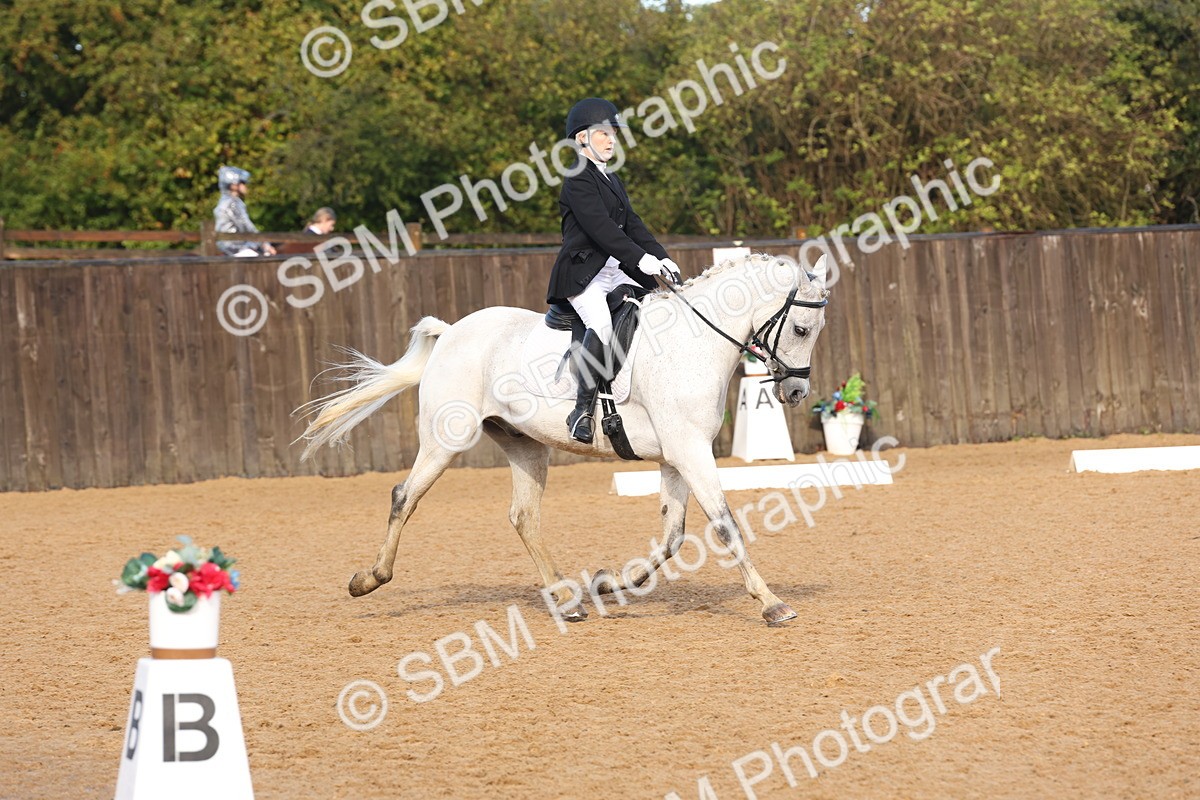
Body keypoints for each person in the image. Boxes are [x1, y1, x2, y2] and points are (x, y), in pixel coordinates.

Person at [546, 98, 681, 444]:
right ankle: (582, 411)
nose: (611, 140)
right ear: (580, 139)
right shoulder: (577, 178)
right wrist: (642, 260)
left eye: (613, 135)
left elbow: (633, 225)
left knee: (656, 307)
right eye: (602, 133)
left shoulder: (612, 178)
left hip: (613, 268)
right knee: (601, 325)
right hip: (582, 273)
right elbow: (602, 230)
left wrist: (662, 258)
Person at [213, 166, 276, 257]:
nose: (245, 186)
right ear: (233, 185)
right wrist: (265, 244)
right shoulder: (232, 203)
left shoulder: (226, 200)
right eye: (242, 183)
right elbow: (246, 226)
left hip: (229, 244)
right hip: (234, 246)